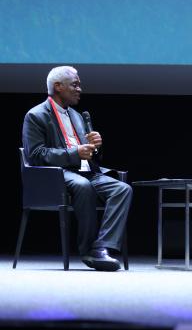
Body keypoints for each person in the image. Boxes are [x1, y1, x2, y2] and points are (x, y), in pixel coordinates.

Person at [22, 66, 132, 271]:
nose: (80, 89)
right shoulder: (36, 115)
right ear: (58, 87)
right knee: (83, 186)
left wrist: (96, 147)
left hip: (85, 171)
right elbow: (36, 155)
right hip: (56, 174)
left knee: (122, 189)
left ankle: (101, 247)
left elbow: (89, 155)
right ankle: (87, 249)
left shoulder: (77, 116)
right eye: (75, 85)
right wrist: (75, 153)